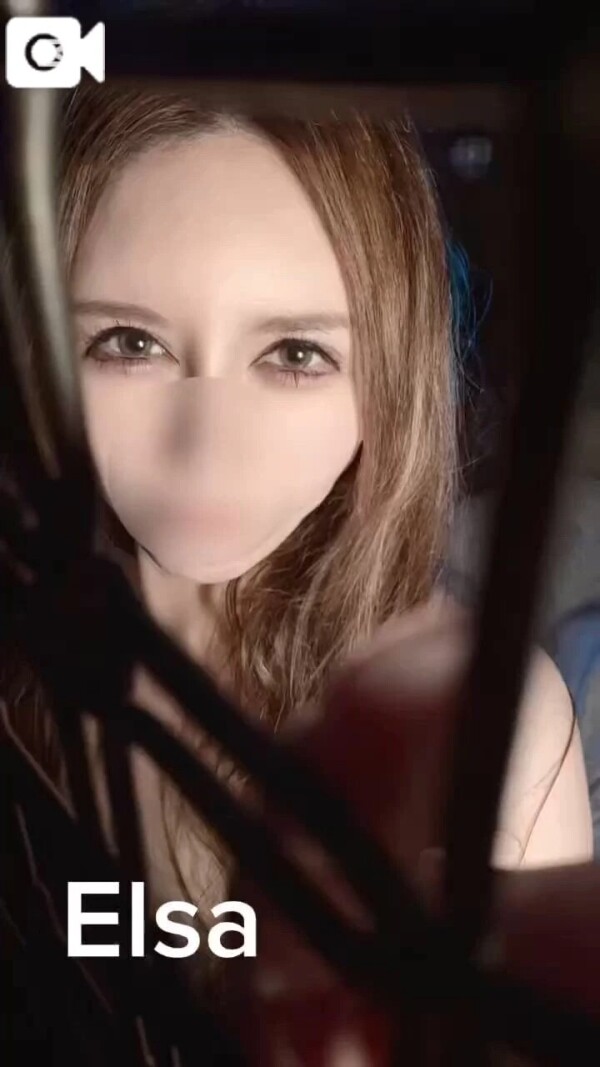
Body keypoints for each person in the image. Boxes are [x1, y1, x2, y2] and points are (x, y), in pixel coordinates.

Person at [0, 80, 593, 1023]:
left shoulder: (480, 725)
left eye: (295, 355)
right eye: (128, 342)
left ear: (388, 375)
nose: (206, 451)